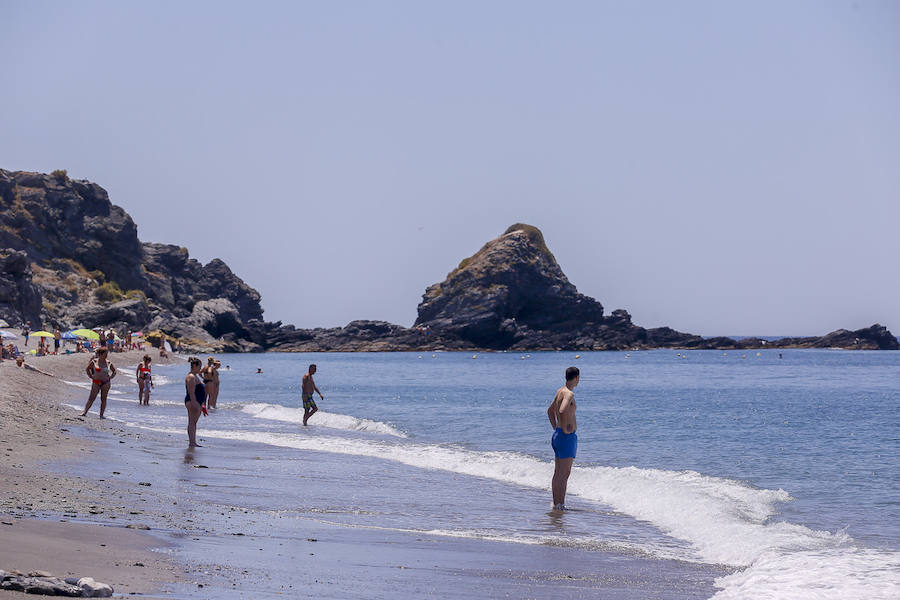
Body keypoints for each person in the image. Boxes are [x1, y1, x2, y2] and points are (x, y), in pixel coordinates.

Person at [547, 366, 579, 511]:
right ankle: (561, 504)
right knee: (565, 473)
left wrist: (556, 427)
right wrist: (566, 428)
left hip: (557, 435)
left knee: (557, 472)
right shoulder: (569, 394)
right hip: (566, 437)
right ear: (577, 378)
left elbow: (550, 411)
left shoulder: (559, 391)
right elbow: (561, 410)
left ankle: (556, 503)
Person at [81, 347, 117, 418]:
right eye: (105, 354)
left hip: (106, 382)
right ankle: (84, 412)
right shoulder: (94, 361)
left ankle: (101, 415)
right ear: (100, 354)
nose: (106, 355)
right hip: (96, 382)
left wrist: (111, 377)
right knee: (92, 397)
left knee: (103, 398)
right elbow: (87, 369)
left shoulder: (109, 363)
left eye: (107, 354)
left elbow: (114, 371)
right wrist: (91, 376)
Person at [184, 357, 208, 447]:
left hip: (197, 402)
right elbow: (191, 392)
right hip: (192, 402)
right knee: (192, 422)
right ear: (194, 365)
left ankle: (193, 441)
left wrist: (202, 405)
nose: (200, 369)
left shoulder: (195, 376)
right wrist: (195, 404)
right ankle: (192, 442)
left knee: (193, 422)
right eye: (199, 366)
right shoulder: (191, 376)